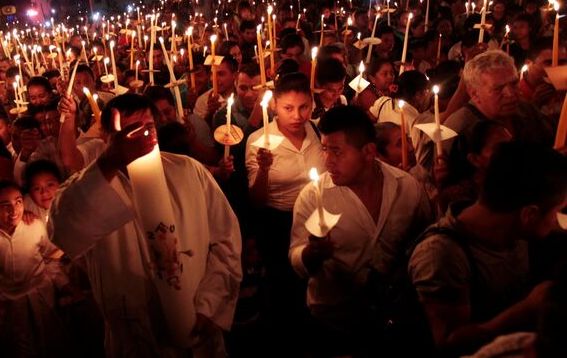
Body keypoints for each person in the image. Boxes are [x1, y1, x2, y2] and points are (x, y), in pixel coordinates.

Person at [51, 94, 242, 356]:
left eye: (148, 128)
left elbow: (225, 240)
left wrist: (210, 305)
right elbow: (63, 230)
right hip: (135, 339)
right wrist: (109, 162)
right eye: (129, 131)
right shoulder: (91, 185)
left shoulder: (188, 171)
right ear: (106, 136)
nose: (141, 138)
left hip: (199, 327)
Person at [289, 105, 434, 356]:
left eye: (336, 151)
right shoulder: (313, 197)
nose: (327, 161)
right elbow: (295, 255)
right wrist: (312, 254)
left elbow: (425, 244)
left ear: (368, 152)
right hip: (335, 322)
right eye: (324, 149)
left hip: (397, 320)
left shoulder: (407, 187)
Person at [409, 141, 567, 356]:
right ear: (529, 214)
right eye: (558, 211)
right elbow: (448, 344)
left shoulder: (511, 222)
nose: (557, 219)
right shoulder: (441, 254)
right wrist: (528, 309)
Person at [245, 72, 325, 349]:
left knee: (317, 283)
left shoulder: (317, 131)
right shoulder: (258, 141)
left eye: (304, 106)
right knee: (285, 288)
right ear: (274, 106)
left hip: (316, 218)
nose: (297, 115)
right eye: (288, 108)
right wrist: (264, 169)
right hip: (279, 223)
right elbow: (256, 201)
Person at [0, 179, 69, 357]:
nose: (14, 210)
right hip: (12, 301)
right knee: (20, 344)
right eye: (5, 205)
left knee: (49, 337)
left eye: (18, 202)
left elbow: (51, 251)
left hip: (41, 293)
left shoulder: (34, 225)